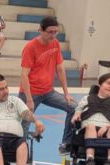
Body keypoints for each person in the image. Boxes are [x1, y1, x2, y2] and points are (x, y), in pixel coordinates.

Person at [19, 16, 75, 155]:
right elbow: (24, 75)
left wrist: (66, 93)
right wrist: (29, 99)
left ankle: (66, 144)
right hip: (31, 93)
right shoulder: (30, 48)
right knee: (23, 125)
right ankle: (20, 153)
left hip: (48, 92)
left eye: (55, 32)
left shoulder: (55, 43)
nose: (53, 35)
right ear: (40, 30)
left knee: (74, 108)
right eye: (50, 32)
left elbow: (60, 69)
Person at [71, 73, 110, 165]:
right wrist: (76, 116)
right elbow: (77, 112)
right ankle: (90, 161)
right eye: (108, 83)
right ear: (100, 84)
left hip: (108, 131)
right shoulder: (86, 99)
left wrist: (107, 127)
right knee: (91, 126)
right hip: (88, 130)